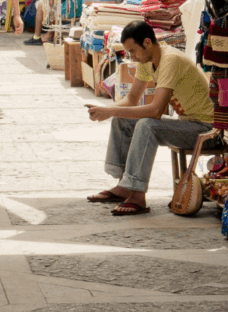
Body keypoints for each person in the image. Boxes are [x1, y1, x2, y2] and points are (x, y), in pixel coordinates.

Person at [86, 20, 214, 216]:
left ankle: (137, 195)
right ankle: (124, 186)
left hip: (207, 130)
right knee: (122, 120)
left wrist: (110, 111)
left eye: (133, 51)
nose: (132, 57)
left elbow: (155, 111)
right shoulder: (147, 61)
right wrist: (106, 110)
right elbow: (131, 100)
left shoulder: (170, 60)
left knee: (147, 125)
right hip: (188, 124)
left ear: (147, 43)